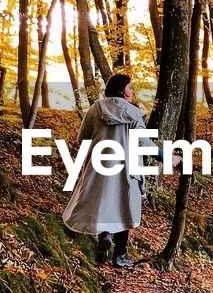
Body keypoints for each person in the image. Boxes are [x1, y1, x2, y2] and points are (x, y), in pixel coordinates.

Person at [61, 74, 155, 269]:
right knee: (124, 206)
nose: (133, 92)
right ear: (121, 90)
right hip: (127, 167)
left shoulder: (96, 108)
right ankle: (119, 256)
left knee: (103, 201)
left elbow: (82, 138)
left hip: (99, 165)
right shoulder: (134, 114)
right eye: (130, 88)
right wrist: (169, 156)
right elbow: (144, 143)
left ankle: (104, 235)